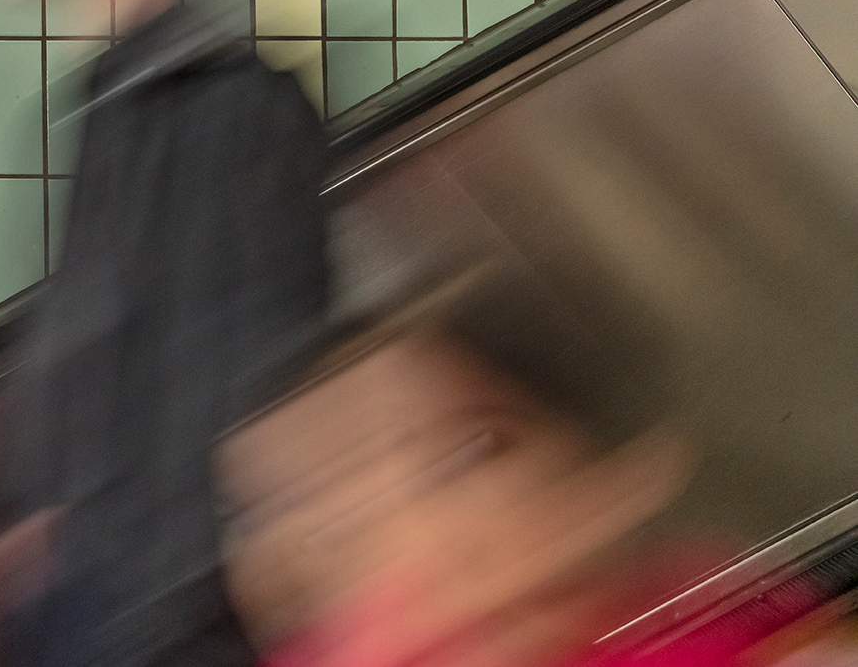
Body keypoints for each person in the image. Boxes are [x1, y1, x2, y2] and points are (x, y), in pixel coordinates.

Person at [0, 0, 328, 667]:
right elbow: (95, 337)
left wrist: (159, 620)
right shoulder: (101, 100)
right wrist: (28, 512)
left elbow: (240, 371)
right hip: (84, 593)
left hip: (158, 618)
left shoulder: (227, 100)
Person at [215, 270, 742, 667]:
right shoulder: (339, 644)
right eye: (331, 528)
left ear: (625, 474)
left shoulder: (716, 620)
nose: (407, 540)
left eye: (466, 457)